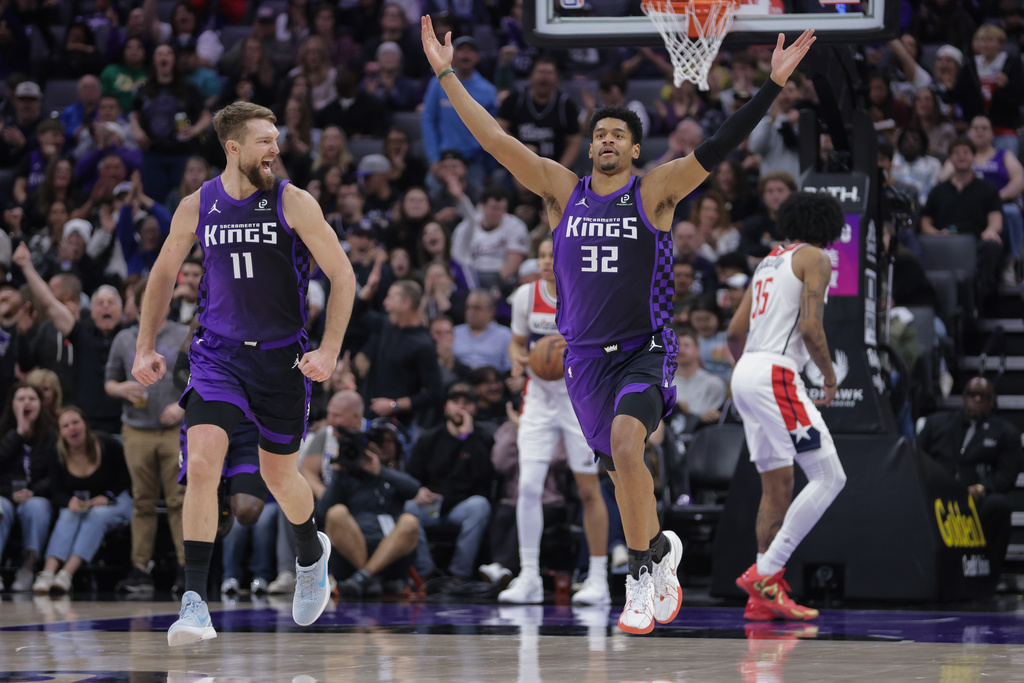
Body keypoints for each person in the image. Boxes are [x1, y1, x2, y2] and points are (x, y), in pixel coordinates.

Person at [421, 15, 815, 634]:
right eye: (599, 133)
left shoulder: (655, 191)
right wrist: (446, 74)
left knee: (629, 447)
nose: (606, 141)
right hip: (583, 359)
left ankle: (635, 578)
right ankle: (660, 552)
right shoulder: (560, 190)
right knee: (617, 471)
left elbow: (716, 148)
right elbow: (496, 141)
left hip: (644, 348)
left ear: (634, 149)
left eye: (617, 136)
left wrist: (768, 87)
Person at [130, 102, 357, 645]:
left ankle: (310, 551)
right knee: (203, 465)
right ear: (233, 147)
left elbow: (343, 276)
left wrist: (328, 351)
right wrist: (143, 346)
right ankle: (194, 605)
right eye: (263, 141)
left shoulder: (292, 201)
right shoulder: (197, 205)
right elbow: (162, 275)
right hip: (217, 355)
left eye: (276, 140)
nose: (274, 150)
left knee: (280, 477)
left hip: (281, 359)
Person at [725, 191, 848, 621]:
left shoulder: (768, 261)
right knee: (830, 477)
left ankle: (762, 597)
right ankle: (767, 572)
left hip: (747, 372)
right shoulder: (816, 257)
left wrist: (746, 374)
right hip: (775, 372)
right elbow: (812, 328)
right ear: (829, 226)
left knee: (777, 485)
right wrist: (829, 377)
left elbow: (734, 332)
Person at [499, 237, 611, 606]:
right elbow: (517, 343)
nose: (548, 261)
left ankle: (598, 578)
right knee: (528, 486)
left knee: (588, 489)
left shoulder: (588, 293)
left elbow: (607, 345)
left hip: (580, 399)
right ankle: (528, 575)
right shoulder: (526, 296)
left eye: (553, 255)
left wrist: (576, 351)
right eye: (543, 256)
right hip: (539, 400)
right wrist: (521, 359)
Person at [917, 376, 1021, 582]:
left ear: (992, 401)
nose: (977, 399)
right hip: (936, 495)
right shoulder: (936, 424)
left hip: (975, 498)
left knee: (999, 506)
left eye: (983, 396)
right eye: (972, 394)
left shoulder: (1006, 433)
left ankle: (989, 575)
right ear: (963, 397)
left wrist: (983, 488)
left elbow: (1007, 474)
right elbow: (916, 457)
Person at [31, 407, 133, 595]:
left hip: (117, 499)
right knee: (67, 514)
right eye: (66, 426)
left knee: (97, 515)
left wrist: (108, 496)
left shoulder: (107, 444)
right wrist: (69, 501)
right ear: (60, 432)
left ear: (85, 424)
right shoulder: (57, 453)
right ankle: (48, 572)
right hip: (82, 504)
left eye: (75, 422)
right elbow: (56, 490)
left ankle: (66, 574)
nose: (72, 428)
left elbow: (126, 478)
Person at [0, 384, 57, 592]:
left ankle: (28, 567)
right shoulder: (3, 431)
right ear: (12, 404)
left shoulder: (51, 435)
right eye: (21, 398)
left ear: (40, 405)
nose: (27, 402)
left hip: (36, 495)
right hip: (5, 495)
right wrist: (19, 433)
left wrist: (33, 491)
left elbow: (55, 476)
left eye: (32, 398)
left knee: (37, 507)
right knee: (0, 508)